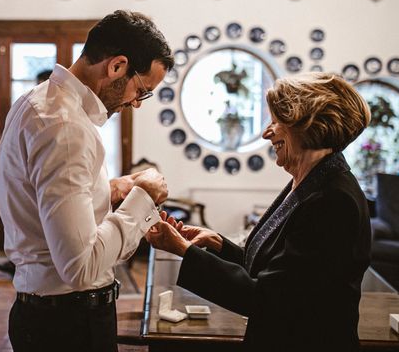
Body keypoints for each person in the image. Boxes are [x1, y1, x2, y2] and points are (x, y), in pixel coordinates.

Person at [146, 73, 372, 352]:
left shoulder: (333, 200)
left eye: (277, 121)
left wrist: (184, 250)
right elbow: (275, 270)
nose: (267, 132)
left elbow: (269, 298)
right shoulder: (311, 181)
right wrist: (217, 243)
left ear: (307, 124)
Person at [0, 10, 174, 352]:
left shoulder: (38, 102)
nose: (136, 103)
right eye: (142, 90)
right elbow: (79, 267)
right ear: (117, 66)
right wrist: (144, 197)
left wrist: (112, 189)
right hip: (68, 326)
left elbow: (42, 199)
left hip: (47, 317)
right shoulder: (65, 129)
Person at [0, 68, 53, 277]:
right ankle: (15, 262)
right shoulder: (26, 110)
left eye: (43, 82)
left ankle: (17, 264)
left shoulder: (56, 118)